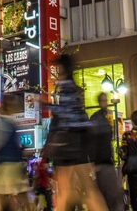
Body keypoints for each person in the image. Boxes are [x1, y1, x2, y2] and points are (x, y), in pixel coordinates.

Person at [46, 54, 108, 211]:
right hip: (79, 143)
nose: (56, 72)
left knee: (66, 191)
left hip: (68, 144)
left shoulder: (65, 88)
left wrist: (45, 105)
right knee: (88, 190)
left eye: (58, 69)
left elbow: (65, 114)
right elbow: (77, 116)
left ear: (63, 69)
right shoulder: (73, 87)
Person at [89, 93, 123, 211]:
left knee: (108, 196)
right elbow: (95, 142)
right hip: (103, 163)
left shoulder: (100, 119)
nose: (105, 103)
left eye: (105, 100)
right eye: (103, 100)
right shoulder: (99, 120)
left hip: (104, 162)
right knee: (112, 195)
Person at [0, 97, 26, 211]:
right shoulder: (10, 121)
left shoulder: (0, 121)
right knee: (11, 194)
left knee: (1, 195)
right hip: (12, 163)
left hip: (2, 163)